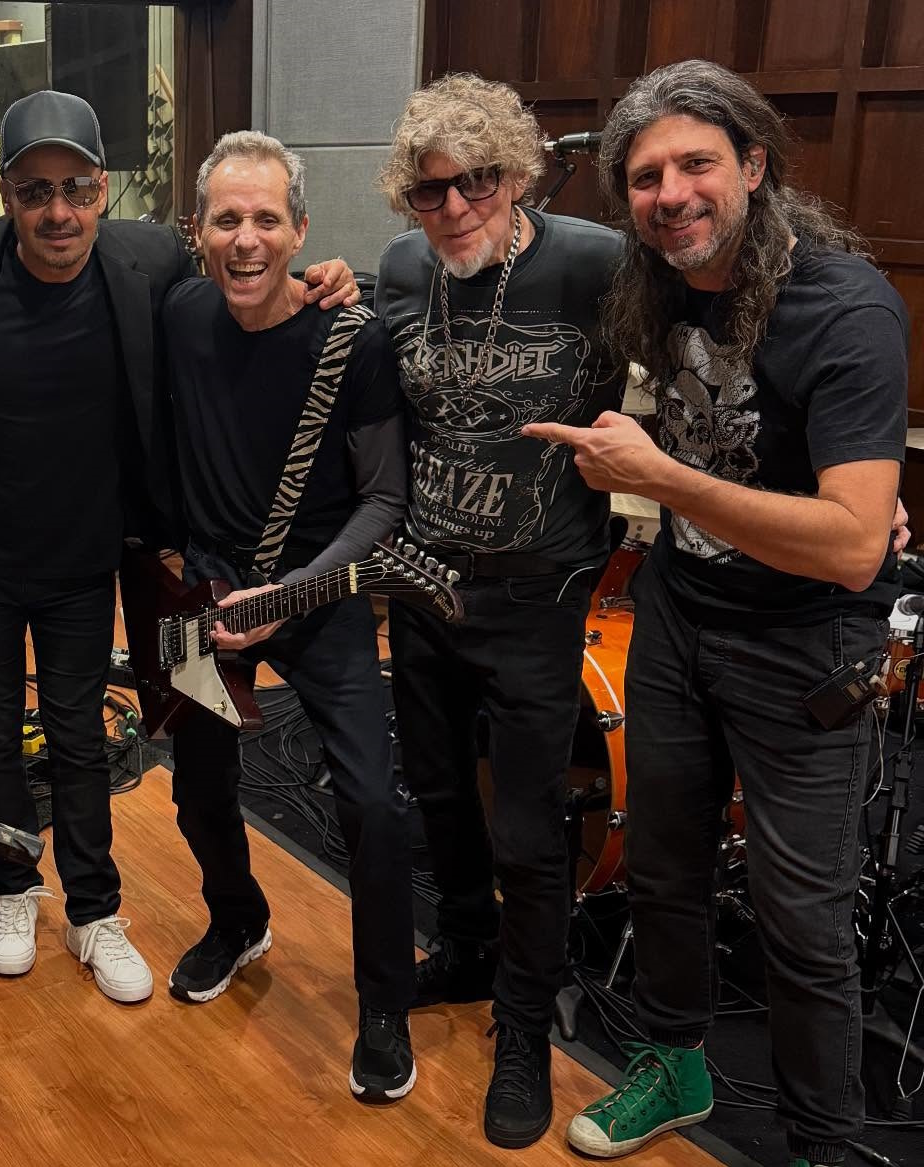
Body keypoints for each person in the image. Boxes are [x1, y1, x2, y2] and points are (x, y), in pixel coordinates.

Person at [521, 60, 908, 1167]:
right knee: (665, 868)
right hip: (682, 615)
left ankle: (821, 1143)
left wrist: (666, 478)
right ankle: (674, 1066)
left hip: (806, 645)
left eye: (696, 164)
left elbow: (851, 547)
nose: (671, 194)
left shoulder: (843, 307)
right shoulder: (656, 287)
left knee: (802, 919)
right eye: (645, 178)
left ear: (754, 166)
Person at [0, 90, 358, 1004]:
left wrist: (326, 279)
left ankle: (93, 908)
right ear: (4, 194)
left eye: (76, 187)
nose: (58, 210)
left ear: (104, 189)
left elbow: (249, 279)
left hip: (88, 557)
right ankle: (12, 886)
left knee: (80, 736)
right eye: (35, 191)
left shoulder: (149, 259)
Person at [372, 74, 626, 1146]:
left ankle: (524, 1023)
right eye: (430, 191)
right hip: (424, 584)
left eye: (477, 181)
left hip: (537, 593)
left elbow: (712, 348)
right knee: (438, 792)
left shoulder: (592, 263)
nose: (456, 207)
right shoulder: (401, 268)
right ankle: (471, 950)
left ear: (518, 175)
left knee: (526, 826)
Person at [159, 129, 417, 1100]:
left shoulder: (354, 339)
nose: (247, 238)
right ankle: (237, 919)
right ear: (197, 231)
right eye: (227, 218)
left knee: (373, 806)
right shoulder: (181, 314)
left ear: (301, 230)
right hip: (206, 594)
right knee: (195, 788)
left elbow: (385, 500)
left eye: (267, 218)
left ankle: (385, 1003)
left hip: (320, 596)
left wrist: (292, 593)